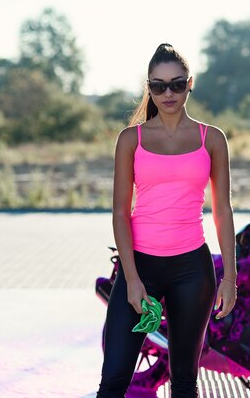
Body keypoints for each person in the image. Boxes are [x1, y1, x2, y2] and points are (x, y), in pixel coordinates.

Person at [96, 43, 237, 398]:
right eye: (158, 86)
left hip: (192, 269)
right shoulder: (131, 139)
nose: (168, 93)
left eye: (176, 84)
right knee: (113, 379)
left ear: (190, 83)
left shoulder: (212, 139)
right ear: (149, 88)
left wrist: (230, 278)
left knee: (185, 382)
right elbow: (119, 212)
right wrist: (131, 279)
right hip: (139, 267)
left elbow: (222, 211)